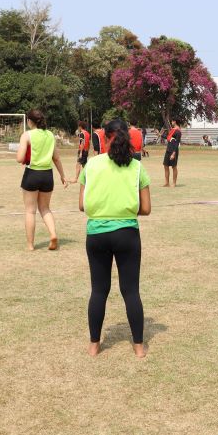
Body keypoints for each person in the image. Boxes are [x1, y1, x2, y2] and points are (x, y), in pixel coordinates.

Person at [79, 119, 151, 358]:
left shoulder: (91, 164)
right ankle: (139, 347)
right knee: (131, 291)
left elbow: (82, 205)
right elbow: (146, 208)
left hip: (96, 234)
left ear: (106, 137)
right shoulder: (137, 167)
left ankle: (94, 345)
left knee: (99, 291)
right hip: (127, 234)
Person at [16, 110, 67, 251]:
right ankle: (53, 234)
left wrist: (24, 154)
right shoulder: (50, 135)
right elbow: (56, 158)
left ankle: (30, 245)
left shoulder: (27, 135)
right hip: (47, 175)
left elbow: (20, 158)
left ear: (29, 121)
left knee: (30, 211)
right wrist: (62, 176)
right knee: (45, 209)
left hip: (32, 173)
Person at [163, 119, 182, 187]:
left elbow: (177, 143)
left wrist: (174, 153)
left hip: (173, 151)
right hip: (168, 149)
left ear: (175, 121)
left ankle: (174, 183)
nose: (171, 122)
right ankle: (167, 183)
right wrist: (159, 134)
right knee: (165, 166)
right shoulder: (173, 130)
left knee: (174, 167)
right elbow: (168, 137)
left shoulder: (178, 131)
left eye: (172, 121)